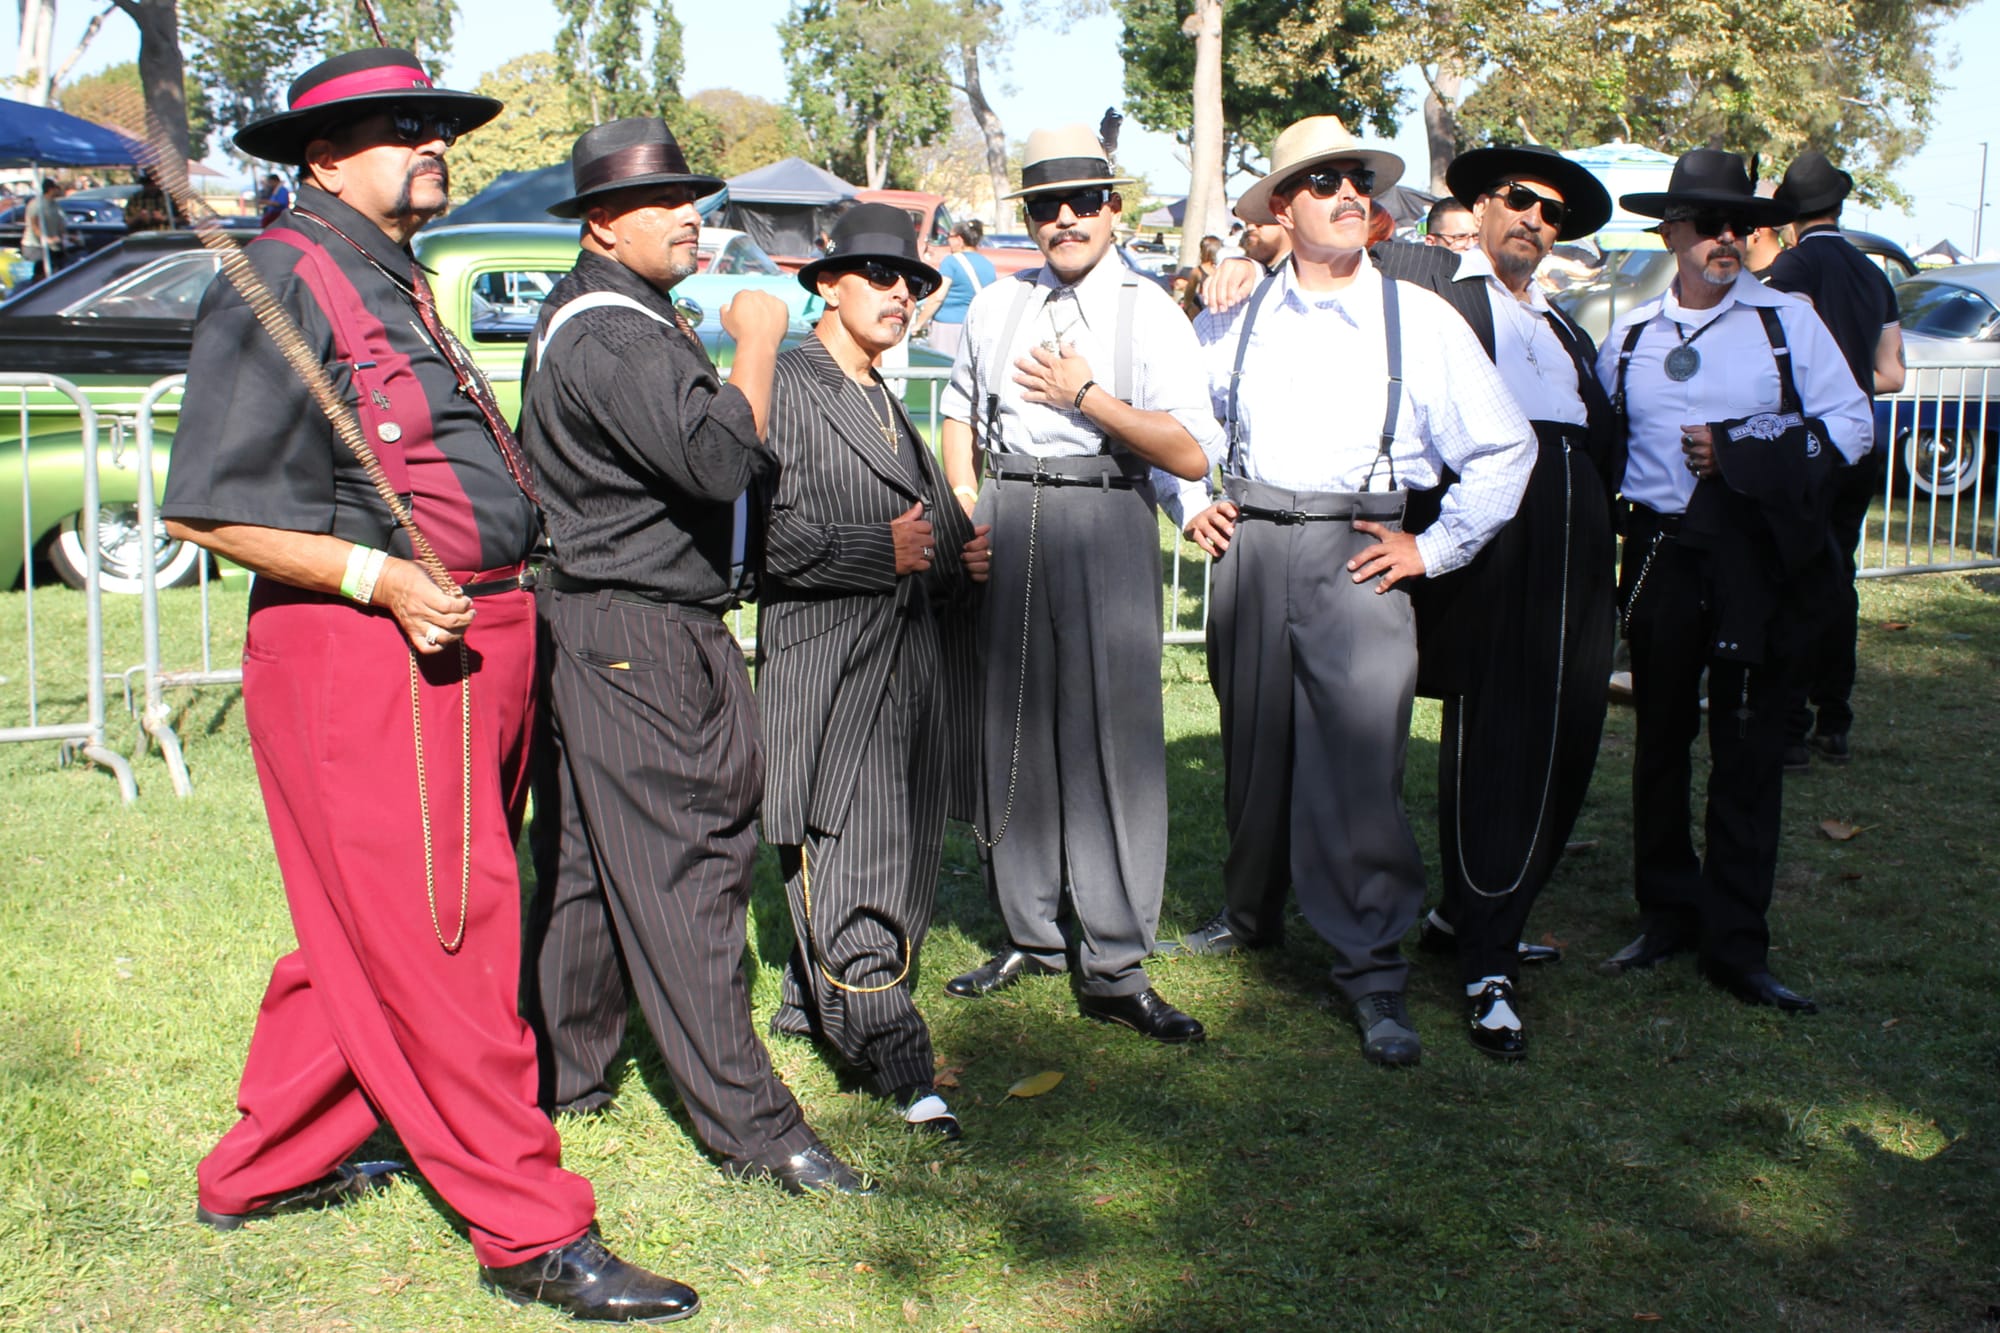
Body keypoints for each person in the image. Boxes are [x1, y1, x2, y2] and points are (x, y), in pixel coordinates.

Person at [161, 49, 697, 1323]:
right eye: (397, 127)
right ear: (321, 157)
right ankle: (529, 1229)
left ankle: (261, 1167)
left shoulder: (383, 272)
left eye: (433, 123)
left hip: (467, 643)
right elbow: (207, 508)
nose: (430, 142)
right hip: (378, 655)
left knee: (373, 930)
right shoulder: (280, 275)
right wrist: (380, 577)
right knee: (452, 935)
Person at [517, 116, 865, 1196]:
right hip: (638, 631)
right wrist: (756, 341)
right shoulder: (612, 332)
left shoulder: (614, 313)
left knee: (585, 863)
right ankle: (754, 1127)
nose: (688, 216)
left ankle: (562, 1073)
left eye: (690, 198)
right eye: (661, 202)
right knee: (691, 871)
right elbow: (718, 461)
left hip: (603, 625)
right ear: (600, 223)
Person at [1172, 116, 1535, 1067]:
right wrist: (1190, 501)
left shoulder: (1420, 318)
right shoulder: (1234, 313)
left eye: (1358, 181)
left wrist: (1435, 548)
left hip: (1360, 552)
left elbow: (1506, 445)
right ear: (1280, 207)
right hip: (1252, 545)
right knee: (1254, 749)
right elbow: (1182, 419)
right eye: (1323, 181)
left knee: (1360, 768)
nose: (1347, 195)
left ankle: (1372, 969)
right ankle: (1250, 916)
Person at [938, 123, 1221, 1043]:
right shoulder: (997, 305)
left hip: (1106, 513)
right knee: (1011, 728)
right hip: (1012, 514)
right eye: (1044, 206)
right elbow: (956, 411)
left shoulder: (1152, 312)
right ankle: (1031, 934)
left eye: (1082, 202)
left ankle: (1115, 960)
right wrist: (968, 504)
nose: (1064, 219)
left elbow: (1191, 450)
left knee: (1114, 735)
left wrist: (1087, 397)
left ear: (1113, 208)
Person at [1360, 145, 1622, 1059]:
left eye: (1553, 214)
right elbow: (1335, 252)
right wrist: (1248, 261)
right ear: (1479, 207)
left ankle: (1474, 914)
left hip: (1578, 551)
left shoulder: (1565, 327)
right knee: (1501, 742)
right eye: (1519, 200)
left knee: (1568, 735)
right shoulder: (1436, 290)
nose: (1535, 220)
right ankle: (1487, 958)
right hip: (1496, 549)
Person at [1596, 149, 1872, 1014]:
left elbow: (1853, 424)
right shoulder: (1631, 335)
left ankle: (1737, 940)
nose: (1728, 239)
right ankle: (1666, 912)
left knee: (1748, 747)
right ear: (1671, 234)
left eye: (1741, 226)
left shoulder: (1788, 321)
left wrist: (1745, 448)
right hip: (1661, 553)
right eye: (1710, 225)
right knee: (1661, 740)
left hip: (1757, 559)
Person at [759, 203, 992, 1140]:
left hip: (907, 670)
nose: (902, 295)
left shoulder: (882, 394)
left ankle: (808, 1002)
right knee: (857, 864)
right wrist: (875, 550)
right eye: (881, 276)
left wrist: (961, 557)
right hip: (831, 670)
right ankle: (898, 1055)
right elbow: (754, 540)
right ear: (827, 282)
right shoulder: (783, 383)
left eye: (915, 283)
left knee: (888, 852)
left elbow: (927, 533)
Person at [1767, 150, 1906, 770]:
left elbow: (1779, 355)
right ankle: (1834, 718)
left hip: (1811, 443)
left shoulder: (1793, 267)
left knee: (1796, 581)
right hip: (1862, 443)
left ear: (1791, 216)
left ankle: (1791, 727)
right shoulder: (1874, 274)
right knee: (1836, 579)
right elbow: (1892, 374)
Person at [910, 217, 997, 357]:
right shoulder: (988, 264)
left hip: (948, 327)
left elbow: (937, 297)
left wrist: (918, 324)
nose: (948, 241)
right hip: (977, 325)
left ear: (959, 239)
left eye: (949, 237)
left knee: (945, 365)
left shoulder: (951, 262)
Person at [19, 178, 67, 277]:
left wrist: (65, 236)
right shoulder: (36, 204)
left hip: (52, 246)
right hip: (35, 247)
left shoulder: (54, 204)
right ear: (51, 189)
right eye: (57, 188)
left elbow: (59, 223)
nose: (59, 190)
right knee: (40, 275)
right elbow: (34, 226)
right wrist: (46, 239)